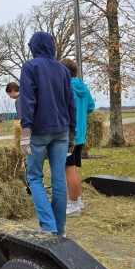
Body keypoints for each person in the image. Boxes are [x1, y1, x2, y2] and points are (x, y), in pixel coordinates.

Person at [19, 31, 76, 237]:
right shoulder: (62, 70)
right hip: (61, 130)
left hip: (39, 131)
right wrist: (72, 133)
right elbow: (71, 103)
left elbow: (27, 100)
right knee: (58, 177)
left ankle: (49, 227)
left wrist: (25, 132)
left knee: (34, 177)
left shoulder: (30, 67)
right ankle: (59, 230)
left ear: (34, 46)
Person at [60, 58, 95, 217]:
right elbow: (90, 107)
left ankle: (73, 205)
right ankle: (78, 201)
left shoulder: (65, 88)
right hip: (80, 134)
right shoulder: (83, 86)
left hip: (69, 134)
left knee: (68, 169)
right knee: (73, 169)